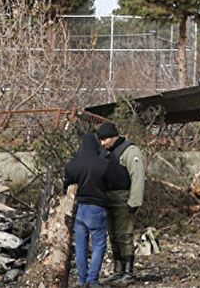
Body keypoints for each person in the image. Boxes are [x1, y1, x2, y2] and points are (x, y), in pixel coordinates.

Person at [97, 122, 146, 284]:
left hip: (124, 198)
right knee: (113, 235)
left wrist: (134, 201)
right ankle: (118, 270)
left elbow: (137, 178)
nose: (103, 143)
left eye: (105, 139)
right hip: (108, 198)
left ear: (114, 137)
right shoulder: (105, 152)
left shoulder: (130, 151)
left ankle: (128, 272)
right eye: (101, 140)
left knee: (124, 235)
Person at [64, 133, 110, 288]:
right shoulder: (103, 164)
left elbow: (67, 183)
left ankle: (82, 280)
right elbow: (112, 183)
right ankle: (93, 280)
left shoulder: (73, 165)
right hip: (97, 208)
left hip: (80, 210)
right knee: (99, 244)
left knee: (81, 247)